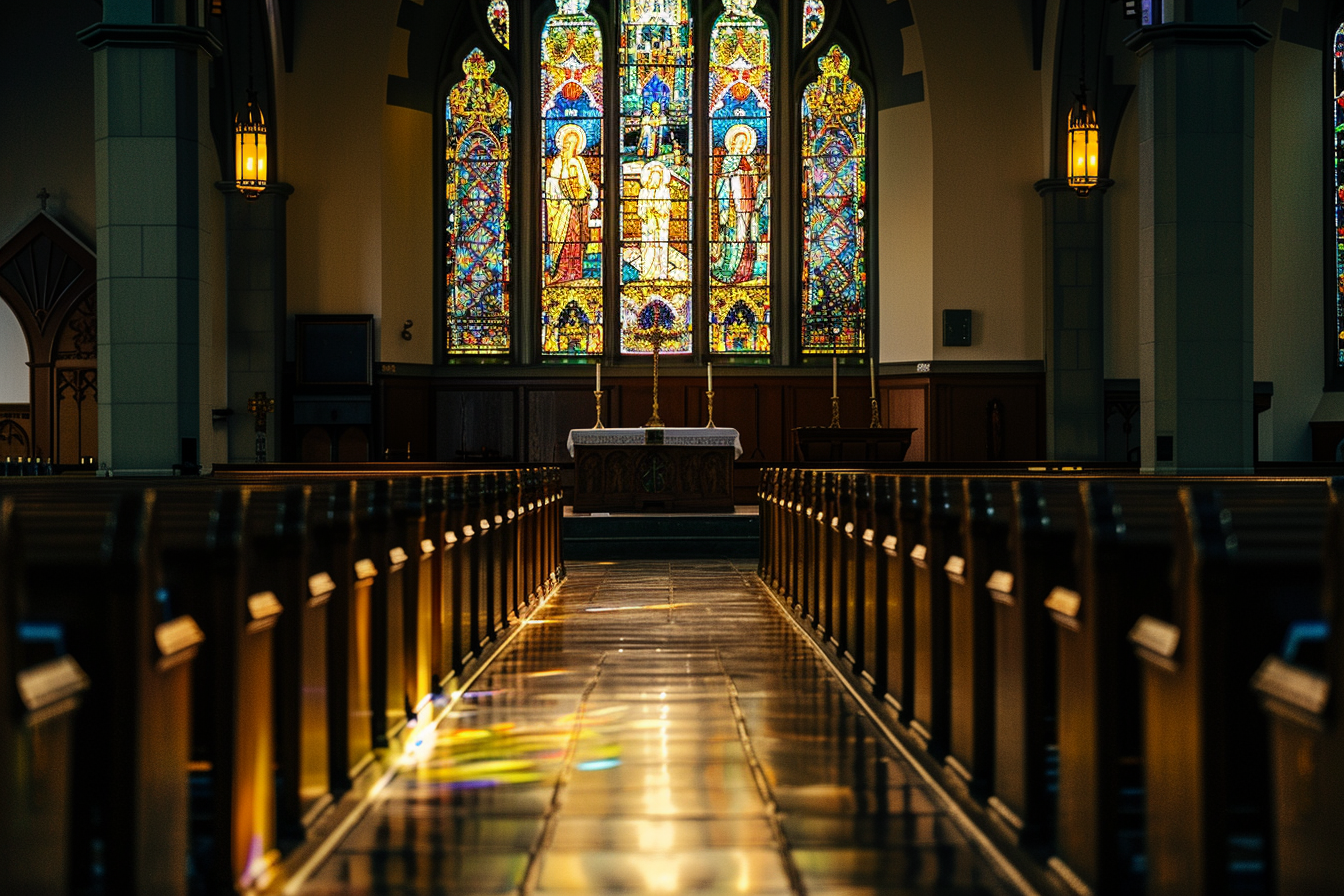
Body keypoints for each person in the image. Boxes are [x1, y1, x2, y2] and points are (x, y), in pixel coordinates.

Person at [544, 124, 597, 283]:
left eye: (573, 143)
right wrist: (563, 186)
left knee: (575, 237)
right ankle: (560, 272)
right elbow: (551, 184)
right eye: (567, 142)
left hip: (577, 209)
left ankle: (575, 271)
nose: (569, 146)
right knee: (563, 238)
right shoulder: (557, 163)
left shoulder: (579, 161)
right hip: (561, 209)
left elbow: (587, 185)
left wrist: (580, 190)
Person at [711, 124, 762, 283]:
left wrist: (750, 174)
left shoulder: (750, 161)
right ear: (733, 143)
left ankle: (745, 269)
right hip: (733, 203)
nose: (741, 146)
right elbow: (721, 181)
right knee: (732, 234)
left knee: (745, 235)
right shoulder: (729, 160)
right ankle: (729, 267)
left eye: (743, 143)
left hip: (747, 204)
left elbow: (756, 183)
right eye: (738, 142)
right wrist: (734, 175)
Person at [637, 162, 672, 280]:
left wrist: (658, 210)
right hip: (648, 227)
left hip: (661, 226)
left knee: (661, 248)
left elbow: (667, 208)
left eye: (659, 178)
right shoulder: (644, 192)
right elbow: (640, 211)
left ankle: (662, 274)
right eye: (654, 178)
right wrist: (648, 213)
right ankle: (648, 273)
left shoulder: (665, 192)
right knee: (648, 249)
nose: (656, 181)